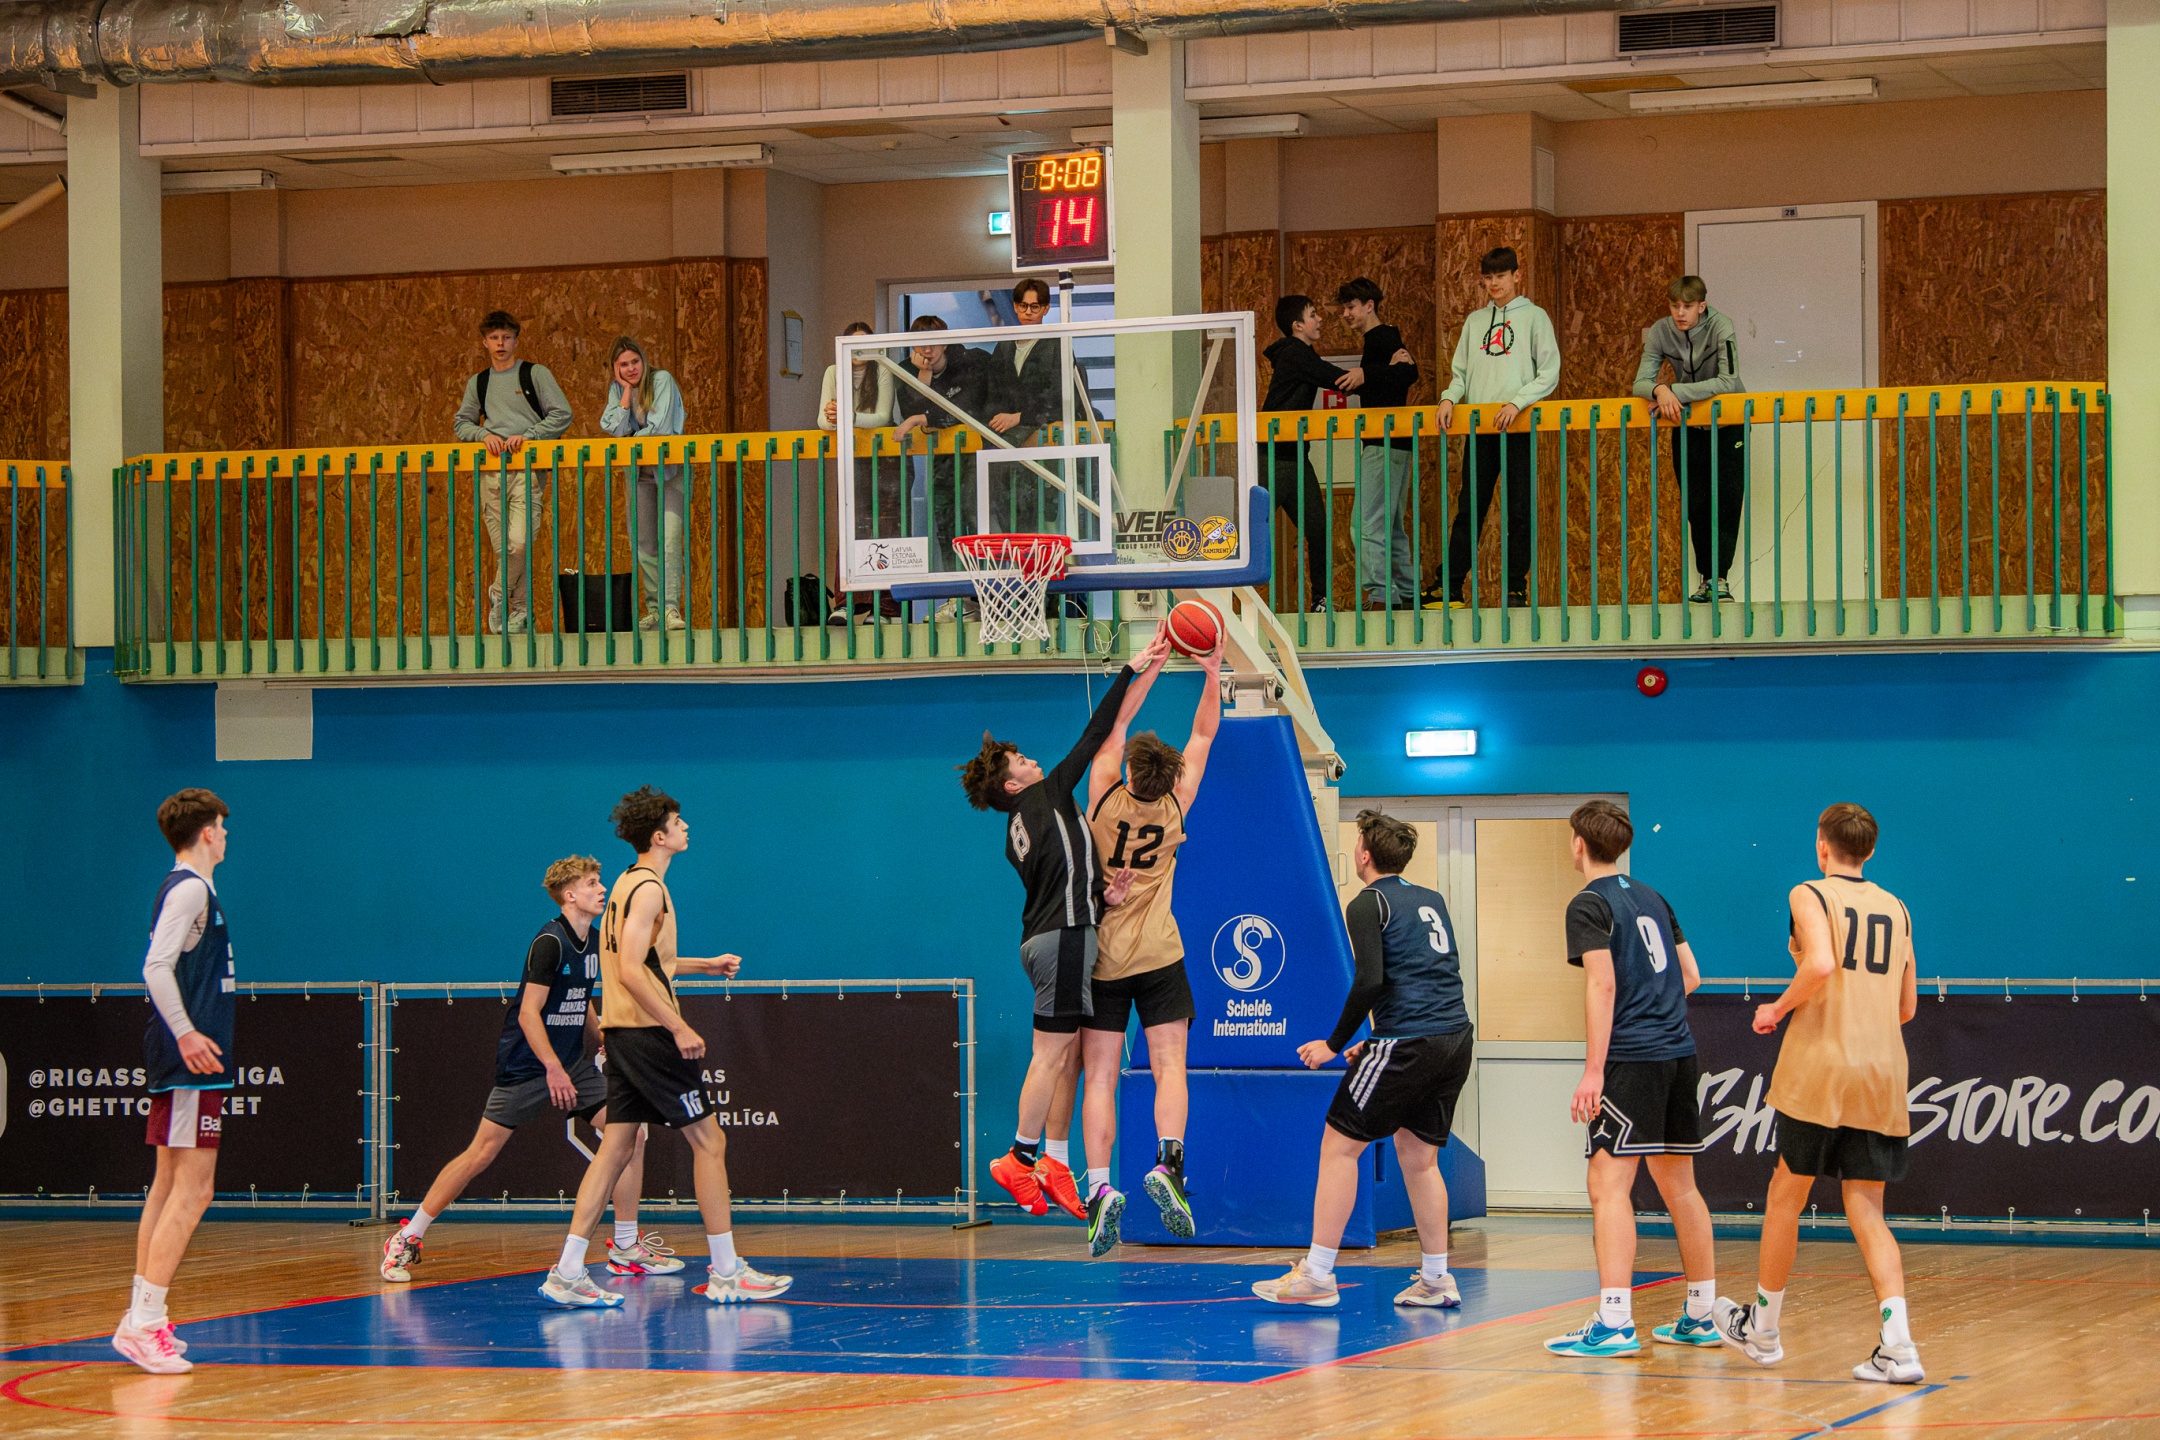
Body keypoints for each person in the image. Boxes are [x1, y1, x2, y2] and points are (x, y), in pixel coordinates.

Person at [536, 786, 792, 1308]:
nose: (686, 827)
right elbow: (631, 971)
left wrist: (706, 965)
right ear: (659, 836)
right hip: (647, 1034)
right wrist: (677, 1026)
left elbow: (646, 961)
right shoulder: (650, 888)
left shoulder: (626, 884)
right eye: (678, 822)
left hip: (621, 1033)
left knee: (615, 1149)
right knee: (709, 1142)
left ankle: (567, 1271)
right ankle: (727, 1272)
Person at [381, 856, 675, 1284]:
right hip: (528, 1065)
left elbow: (579, 1001)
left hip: (572, 1063)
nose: (602, 889)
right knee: (481, 1153)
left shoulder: (594, 942)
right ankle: (407, 1236)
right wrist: (552, 1069)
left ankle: (626, 1245)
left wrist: (602, 1037)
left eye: (600, 882)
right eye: (593, 883)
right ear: (569, 895)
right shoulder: (550, 942)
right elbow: (529, 1013)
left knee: (631, 1135)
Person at [1714, 804, 1925, 1384]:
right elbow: (1907, 1006)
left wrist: (1778, 1008)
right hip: (1883, 1070)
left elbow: (1823, 962)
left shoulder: (1809, 893)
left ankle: (1763, 1331)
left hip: (1822, 1065)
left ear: (1821, 845)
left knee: (1787, 1193)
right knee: (1867, 1207)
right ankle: (1899, 1346)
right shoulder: (1898, 907)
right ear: (1871, 851)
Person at [958, 636, 1167, 1216]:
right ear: (1012, 785)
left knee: (1063, 1052)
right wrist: (1130, 669)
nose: (1033, 761)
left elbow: (1064, 876)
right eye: (1021, 762)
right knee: (1051, 1057)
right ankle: (1021, 1158)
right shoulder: (1047, 793)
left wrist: (1103, 895)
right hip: (1066, 940)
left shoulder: (1016, 832)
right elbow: (1096, 733)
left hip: (1046, 938)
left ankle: (1049, 1158)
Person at [1255, 810, 1472, 1310]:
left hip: (1410, 1039)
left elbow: (1370, 979)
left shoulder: (1367, 902)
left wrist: (1334, 1043)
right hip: (1454, 1037)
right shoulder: (1431, 899)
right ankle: (1437, 1279)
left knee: (1339, 1146)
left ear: (1365, 854)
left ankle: (1317, 1275)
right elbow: (1425, 975)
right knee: (1419, 1157)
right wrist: (1376, 1037)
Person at [1543, 800, 1720, 1359]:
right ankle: (1701, 1315)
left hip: (1631, 1060)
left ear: (1579, 843)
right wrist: (1658, 1006)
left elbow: (1602, 985)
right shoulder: (1653, 897)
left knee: (1608, 1187)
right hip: (1679, 1054)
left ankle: (1616, 1322)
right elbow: (1692, 975)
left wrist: (1593, 1070)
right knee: (1681, 1188)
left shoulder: (1588, 903)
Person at [1068, 629, 1224, 1255]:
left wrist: (1152, 665)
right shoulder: (1177, 805)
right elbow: (1203, 735)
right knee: (1169, 1068)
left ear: (1132, 770)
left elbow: (1115, 723)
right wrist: (1211, 671)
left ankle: (1100, 1189)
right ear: (1169, 777)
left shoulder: (1106, 789)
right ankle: (1169, 1164)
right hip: (1161, 953)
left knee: (1101, 1080)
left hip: (1104, 957)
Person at [113, 788, 236, 1374]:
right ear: (207, 832)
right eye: (222, 827)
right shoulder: (190, 889)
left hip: (182, 1057)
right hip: (188, 1060)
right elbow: (156, 967)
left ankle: (142, 1316)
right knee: (194, 1188)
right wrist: (187, 1034)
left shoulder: (191, 888)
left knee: (166, 1186)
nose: (227, 835)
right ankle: (144, 1323)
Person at [1427, 249, 1560, 610]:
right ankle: (1450, 587)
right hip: (1481, 428)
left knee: (1519, 510)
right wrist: (1449, 398)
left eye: (1500, 276)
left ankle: (1515, 588)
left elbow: (1549, 371)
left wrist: (1518, 402)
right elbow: (1460, 373)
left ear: (1517, 275)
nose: (1494, 283)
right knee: (1470, 509)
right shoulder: (1475, 321)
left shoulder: (1535, 317)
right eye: (1488, 277)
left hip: (1517, 426)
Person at [453, 310, 574, 634]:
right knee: (503, 549)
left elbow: (562, 413)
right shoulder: (479, 382)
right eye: (494, 338)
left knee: (519, 543)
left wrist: (531, 435)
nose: (500, 343)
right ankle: (519, 613)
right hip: (492, 472)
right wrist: (484, 435)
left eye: (506, 337)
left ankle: (498, 592)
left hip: (527, 469)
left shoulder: (535, 374)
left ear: (516, 341)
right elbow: (462, 423)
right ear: (485, 342)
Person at [1633, 277, 1748, 603]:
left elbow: (1728, 381)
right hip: (1687, 424)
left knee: (1726, 501)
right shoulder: (1661, 331)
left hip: (1729, 424)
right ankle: (1706, 579)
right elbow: (1640, 383)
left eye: (1687, 306)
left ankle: (1720, 579)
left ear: (1702, 306)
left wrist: (1675, 391)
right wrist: (1659, 389)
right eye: (1675, 306)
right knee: (1696, 504)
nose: (1680, 313)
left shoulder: (1722, 326)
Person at [892, 315, 1012, 574]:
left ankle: (992, 581)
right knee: (946, 523)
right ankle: (956, 589)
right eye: (920, 342)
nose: (927, 349)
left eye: (934, 341)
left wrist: (920, 418)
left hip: (980, 453)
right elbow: (910, 408)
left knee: (977, 515)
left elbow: (967, 408)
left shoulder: (970, 360)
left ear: (945, 342)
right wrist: (924, 375)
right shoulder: (906, 369)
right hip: (942, 456)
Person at [1261, 296, 1353, 611]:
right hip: (1273, 459)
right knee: (1251, 531)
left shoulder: (1300, 354)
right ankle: (1226, 594)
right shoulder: (1294, 353)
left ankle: (1321, 600)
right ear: (1297, 325)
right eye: (1313, 315)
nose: (1320, 319)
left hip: (1296, 459)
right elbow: (1335, 378)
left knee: (1318, 530)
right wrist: (1377, 374)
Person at [1337, 278, 1421, 612]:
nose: (1346, 314)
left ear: (1369, 306)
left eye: (1351, 307)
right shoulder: (1382, 340)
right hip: (1396, 443)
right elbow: (1402, 372)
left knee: (1365, 523)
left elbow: (1408, 373)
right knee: (1391, 524)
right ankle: (1406, 591)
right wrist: (1369, 375)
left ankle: (1381, 593)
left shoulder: (1381, 336)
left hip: (1382, 442)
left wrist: (1367, 374)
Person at [599, 337, 688, 632]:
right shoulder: (617, 390)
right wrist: (625, 394)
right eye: (623, 364)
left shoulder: (661, 380)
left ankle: (671, 607)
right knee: (645, 543)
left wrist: (629, 439)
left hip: (670, 469)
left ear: (643, 360)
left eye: (635, 361)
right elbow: (612, 427)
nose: (631, 368)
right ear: (615, 368)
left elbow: (659, 428)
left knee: (669, 539)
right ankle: (655, 609)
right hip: (638, 472)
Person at [987, 279, 1064, 533]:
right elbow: (993, 393)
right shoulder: (1004, 346)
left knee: (1038, 511)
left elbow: (1061, 398)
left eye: (1034, 306)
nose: (1028, 312)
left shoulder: (1057, 345)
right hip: (1005, 438)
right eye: (1023, 306)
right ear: (1015, 307)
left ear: (1046, 309)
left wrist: (1020, 417)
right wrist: (1000, 418)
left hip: (1041, 439)